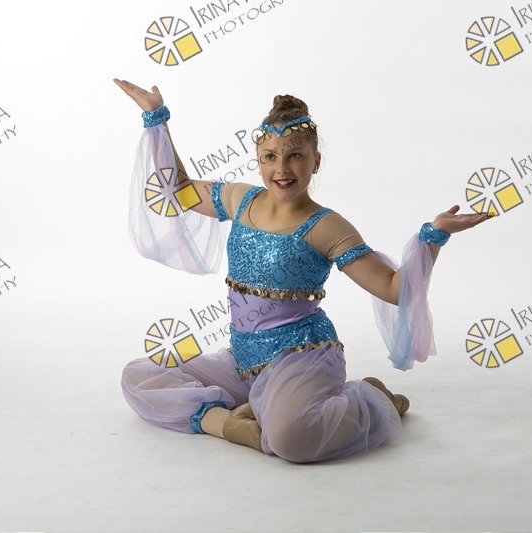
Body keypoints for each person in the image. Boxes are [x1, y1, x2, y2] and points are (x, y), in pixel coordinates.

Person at [114, 78, 492, 463]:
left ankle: (372, 399)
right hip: (243, 360)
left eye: (294, 155)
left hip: (302, 358)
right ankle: (228, 423)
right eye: (270, 156)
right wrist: (156, 119)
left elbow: (395, 290)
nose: (281, 168)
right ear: (258, 160)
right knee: (139, 374)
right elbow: (177, 189)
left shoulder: (327, 226)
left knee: (292, 439)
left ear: (316, 161)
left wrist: (434, 237)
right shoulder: (240, 200)